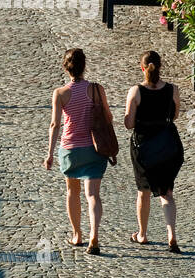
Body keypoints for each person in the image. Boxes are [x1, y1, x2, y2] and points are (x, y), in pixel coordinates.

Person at [44, 48, 112, 255]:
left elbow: (55, 124)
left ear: (66, 68)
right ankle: (94, 235)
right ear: (84, 66)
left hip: (70, 148)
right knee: (93, 195)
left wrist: (49, 153)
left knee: (72, 191)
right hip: (94, 148)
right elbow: (108, 116)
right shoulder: (97, 89)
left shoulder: (60, 93)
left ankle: (77, 234)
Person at [124, 51, 184, 252]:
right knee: (167, 193)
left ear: (142, 68)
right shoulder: (172, 89)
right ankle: (172, 235)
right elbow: (174, 115)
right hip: (168, 145)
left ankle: (142, 234)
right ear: (160, 66)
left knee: (144, 192)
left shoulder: (136, 92)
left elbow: (129, 123)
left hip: (144, 147)